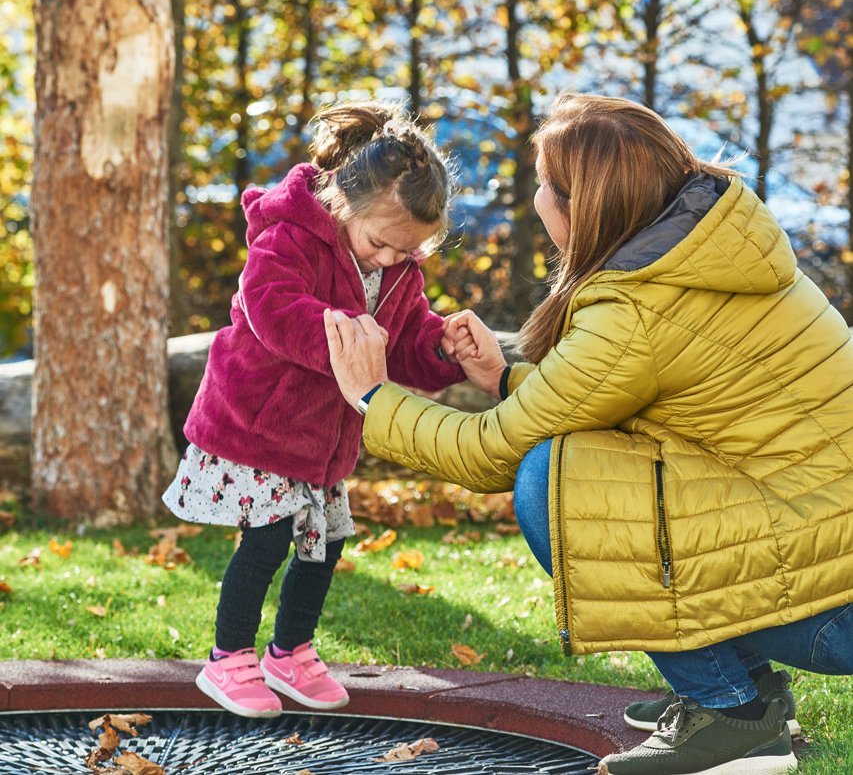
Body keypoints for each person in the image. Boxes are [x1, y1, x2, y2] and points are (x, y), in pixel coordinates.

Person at [323, 92, 853, 775]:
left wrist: (372, 395)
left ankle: (732, 713)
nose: (537, 197)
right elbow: (614, 400)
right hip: (829, 561)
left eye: (545, 184)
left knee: (550, 480)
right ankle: (744, 691)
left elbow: (491, 453)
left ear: (581, 205)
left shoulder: (638, 308)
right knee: (605, 464)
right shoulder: (707, 247)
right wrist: (502, 379)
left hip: (833, 609)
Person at [163, 100, 471, 719]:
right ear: (342, 203)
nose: (390, 259)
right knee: (267, 540)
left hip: (322, 443)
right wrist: (341, 331)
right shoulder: (289, 237)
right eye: (381, 243)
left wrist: (441, 348)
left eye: (407, 251)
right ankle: (228, 658)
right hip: (258, 425)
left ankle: (290, 652)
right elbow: (270, 306)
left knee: (326, 545)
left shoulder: (397, 272)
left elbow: (402, 343)